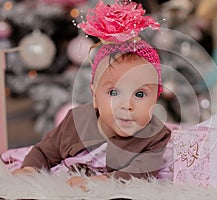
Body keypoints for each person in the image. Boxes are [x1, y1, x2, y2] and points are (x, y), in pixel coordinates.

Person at [12, 0, 171, 192]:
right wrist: (30, 168)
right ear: (95, 96)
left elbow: (142, 172)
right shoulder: (76, 121)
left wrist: (100, 182)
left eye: (139, 94)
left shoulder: (155, 136)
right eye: (113, 92)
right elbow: (44, 151)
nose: (126, 105)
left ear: (155, 99)